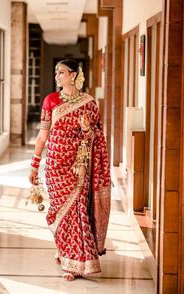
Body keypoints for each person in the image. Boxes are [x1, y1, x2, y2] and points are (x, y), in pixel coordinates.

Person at [29, 59, 111, 281]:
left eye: (62, 72)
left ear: (74, 75)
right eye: (56, 72)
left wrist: (86, 130)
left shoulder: (89, 103)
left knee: (75, 212)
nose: (57, 76)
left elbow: (96, 137)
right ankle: (65, 251)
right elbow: (43, 134)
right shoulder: (51, 101)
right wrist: (35, 164)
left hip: (77, 167)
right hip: (55, 165)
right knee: (59, 212)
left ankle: (74, 264)